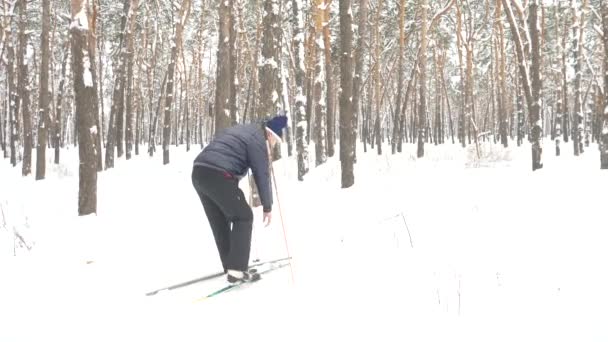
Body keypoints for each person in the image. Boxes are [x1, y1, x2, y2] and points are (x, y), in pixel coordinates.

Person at [191, 115, 288, 284]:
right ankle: (236, 269)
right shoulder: (258, 140)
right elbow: (262, 174)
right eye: (275, 141)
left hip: (199, 172)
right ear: (271, 134)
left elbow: (226, 150)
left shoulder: (244, 130)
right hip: (218, 174)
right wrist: (267, 205)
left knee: (219, 221)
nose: (274, 145)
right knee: (243, 216)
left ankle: (230, 265)